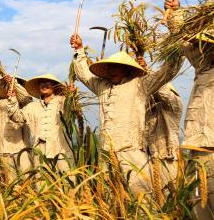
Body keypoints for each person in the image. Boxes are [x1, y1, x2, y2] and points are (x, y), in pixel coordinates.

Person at [70, 33, 181, 196]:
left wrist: (176, 47)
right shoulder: (102, 87)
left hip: (131, 153)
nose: (112, 70)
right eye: (110, 67)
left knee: (141, 200)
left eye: (117, 66)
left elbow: (166, 72)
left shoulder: (139, 85)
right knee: (111, 200)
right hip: (107, 155)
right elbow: (84, 74)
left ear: (127, 68)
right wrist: (79, 50)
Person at [164, 0, 213, 220]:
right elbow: (185, 40)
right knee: (200, 206)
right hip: (198, 143)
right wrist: (175, 13)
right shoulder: (203, 63)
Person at [7, 74, 72, 170]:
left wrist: (72, 96)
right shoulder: (32, 107)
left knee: (66, 181)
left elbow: (75, 111)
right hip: (40, 150)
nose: (44, 85)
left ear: (54, 86)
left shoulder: (62, 102)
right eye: (41, 83)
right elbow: (17, 117)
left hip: (60, 149)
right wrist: (12, 99)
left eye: (47, 83)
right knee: (42, 182)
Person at [0, 75, 32, 177]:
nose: (10, 87)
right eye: (9, 85)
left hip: (22, 148)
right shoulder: (2, 103)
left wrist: (14, 82)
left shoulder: (25, 103)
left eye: (13, 84)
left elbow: (25, 97)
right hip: (4, 149)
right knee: (10, 181)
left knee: (26, 179)